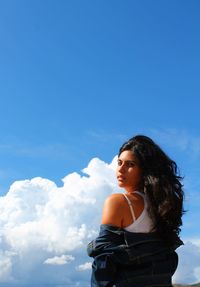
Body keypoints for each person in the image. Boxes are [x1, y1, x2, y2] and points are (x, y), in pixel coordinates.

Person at [87, 135, 184, 287]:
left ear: (145, 170)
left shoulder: (118, 202)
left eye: (130, 164)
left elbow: (103, 261)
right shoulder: (164, 208)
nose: (121, 169)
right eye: (119, 162)